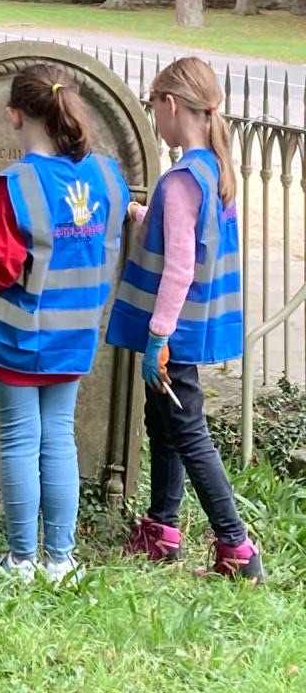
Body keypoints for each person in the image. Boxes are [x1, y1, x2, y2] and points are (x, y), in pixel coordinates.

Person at [0, 64, 129, 582]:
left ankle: (21, 558)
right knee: (59, 437)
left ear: (14, 115)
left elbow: (0, 267)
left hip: (18, 333)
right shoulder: (108, 176)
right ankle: (60, 559)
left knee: (19, 438)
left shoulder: (13, 184)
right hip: (77, 332)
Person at [106, 57, 264, 583]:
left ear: (171, 105)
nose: (155, 118)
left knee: (188, 431)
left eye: (155, 107)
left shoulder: (179, 180)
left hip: (172, 331)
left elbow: (178, 266)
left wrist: (158, 338)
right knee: (164, 423)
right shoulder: (212, 169)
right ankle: (162, 529)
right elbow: (186, 235)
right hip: (196, 323)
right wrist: (138, 214)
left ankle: (237, 549)